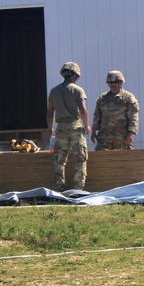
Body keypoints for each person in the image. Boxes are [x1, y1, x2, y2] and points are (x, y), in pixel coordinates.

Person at [46, 62, 90, 191]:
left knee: (59, 160)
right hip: (75, 127)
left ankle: (59, 188)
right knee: (80, 159)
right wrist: (87, 126)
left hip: (61, 129)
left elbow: (49, 113)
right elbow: (83, 110)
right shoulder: (77, 90)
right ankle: (78, 190)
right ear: (75, 75)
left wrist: (50, 128)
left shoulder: (54, 91)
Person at [91, 70, 139, 150]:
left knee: (123, 161)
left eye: (115, 82)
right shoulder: (102, 98)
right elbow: (97, 116)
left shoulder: (128, 98)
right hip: (104, 139)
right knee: (102, 161)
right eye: (110, 82)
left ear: (121, 82)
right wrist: (93, 132)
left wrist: (131, 133)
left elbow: (133, 118)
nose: (113, 84)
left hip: (121, 139)